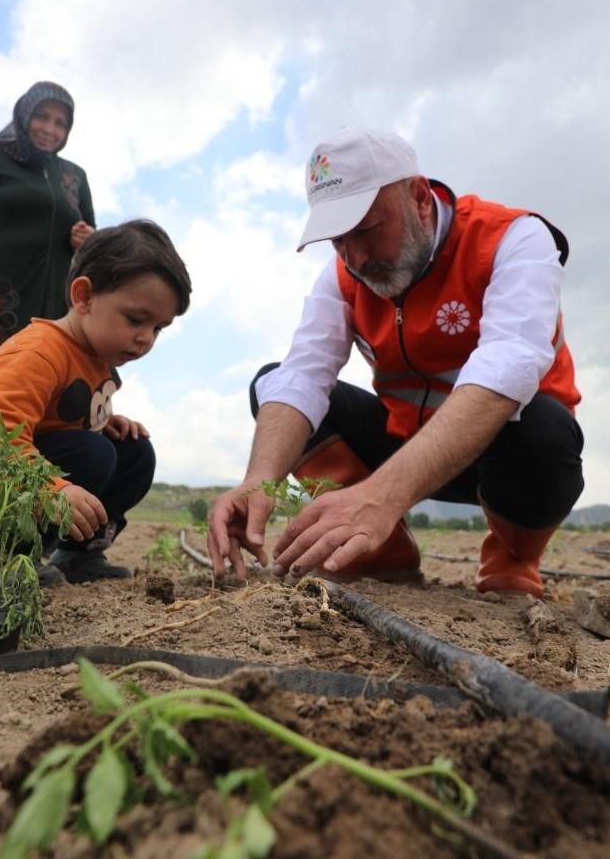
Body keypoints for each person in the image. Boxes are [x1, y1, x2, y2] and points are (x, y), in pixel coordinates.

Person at [208, 128, 584, 598]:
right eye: (338, 241)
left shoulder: (514, 239)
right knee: (273, 385)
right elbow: (304, 373)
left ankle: (513, 557)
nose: (356, 258)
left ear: (419, 197)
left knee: (544, 429)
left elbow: (505, 369)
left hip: (499, 457)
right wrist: (256, 481)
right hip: (400, 444)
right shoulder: (345, 275)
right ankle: (378, 553)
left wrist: (381, 496)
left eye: (367, 230)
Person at [0, 219, 192, 584]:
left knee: (134, 452)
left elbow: (59, 420)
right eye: (136, 319)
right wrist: (52, 492)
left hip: (43, 469)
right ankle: (5, 555)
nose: (146, 339)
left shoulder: (97, 357)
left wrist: (104, 422)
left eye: (157, 328)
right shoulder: (38, 351)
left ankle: (78, 555)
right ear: (84, 296)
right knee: (95, 453)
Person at [0, 81, 95, 377]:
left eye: (60, 123)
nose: (49, 129)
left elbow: (96, 248)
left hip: (50, 307)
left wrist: (87, 241)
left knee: (30, 386)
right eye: (42, 116)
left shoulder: (74, 177)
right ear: (24, 114)